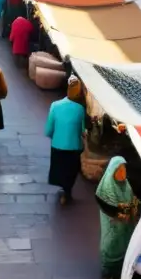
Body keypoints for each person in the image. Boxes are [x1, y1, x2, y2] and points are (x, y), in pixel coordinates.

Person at [95, 156, 141, 279]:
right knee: (111, 244)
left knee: (125, 243)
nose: (122, 173)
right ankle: (108, 269)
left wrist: (133, 208)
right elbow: (110, 208)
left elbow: (132, 199)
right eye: (119, 170)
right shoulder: (107, 187)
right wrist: (123, 212)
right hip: (113, 224)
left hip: (126, 225)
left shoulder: (126, 185)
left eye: (124, 169)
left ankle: (120, 269)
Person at [44, 76, 85, 205]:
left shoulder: (55, 106)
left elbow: (48, 130)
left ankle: (63, 189)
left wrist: (56, 138)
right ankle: (67, 190)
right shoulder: (80, 109)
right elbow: (82, 131)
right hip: (74, 147)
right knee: (71, 170)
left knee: (59, 169)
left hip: (57, 145)